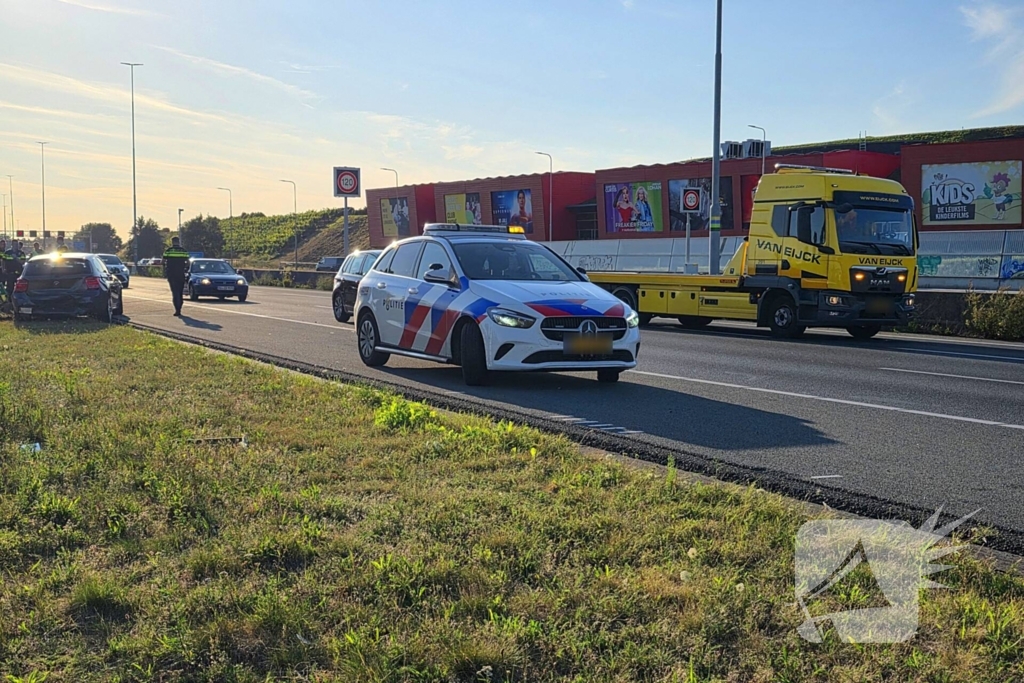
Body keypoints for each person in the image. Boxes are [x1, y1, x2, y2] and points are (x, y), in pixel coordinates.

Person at [162, 237, 190, 316]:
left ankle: (177, 309)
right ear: (178, 242)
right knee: (180, 292)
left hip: (171, 274)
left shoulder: (168, 251)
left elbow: (163, 261)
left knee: (175, 292)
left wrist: (166, 268)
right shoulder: (183, 251)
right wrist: (184, 268)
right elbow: (188, 263)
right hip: (180, 274)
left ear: (172, 242)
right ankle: (180, 307)